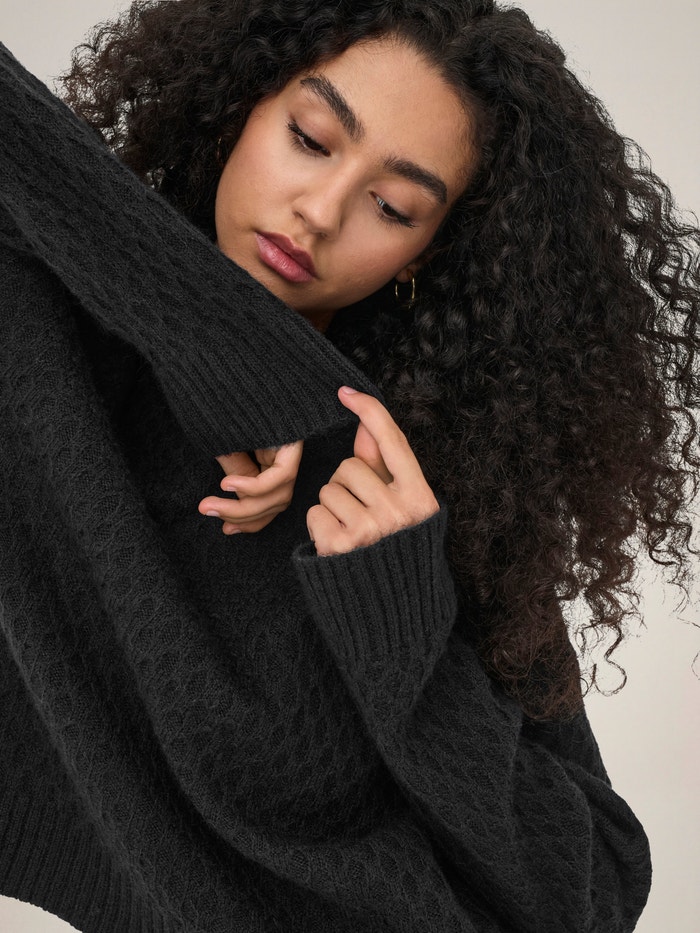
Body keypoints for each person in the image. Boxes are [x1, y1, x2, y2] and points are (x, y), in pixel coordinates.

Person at [0, 0, 698, 930]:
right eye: (310, 138)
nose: (320, 213)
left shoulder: (421, 474)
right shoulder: (46, 311)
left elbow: (595, 894)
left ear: (424, 254)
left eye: (393, 207)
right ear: (240, 106)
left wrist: (401, 625)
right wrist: (231, 357)